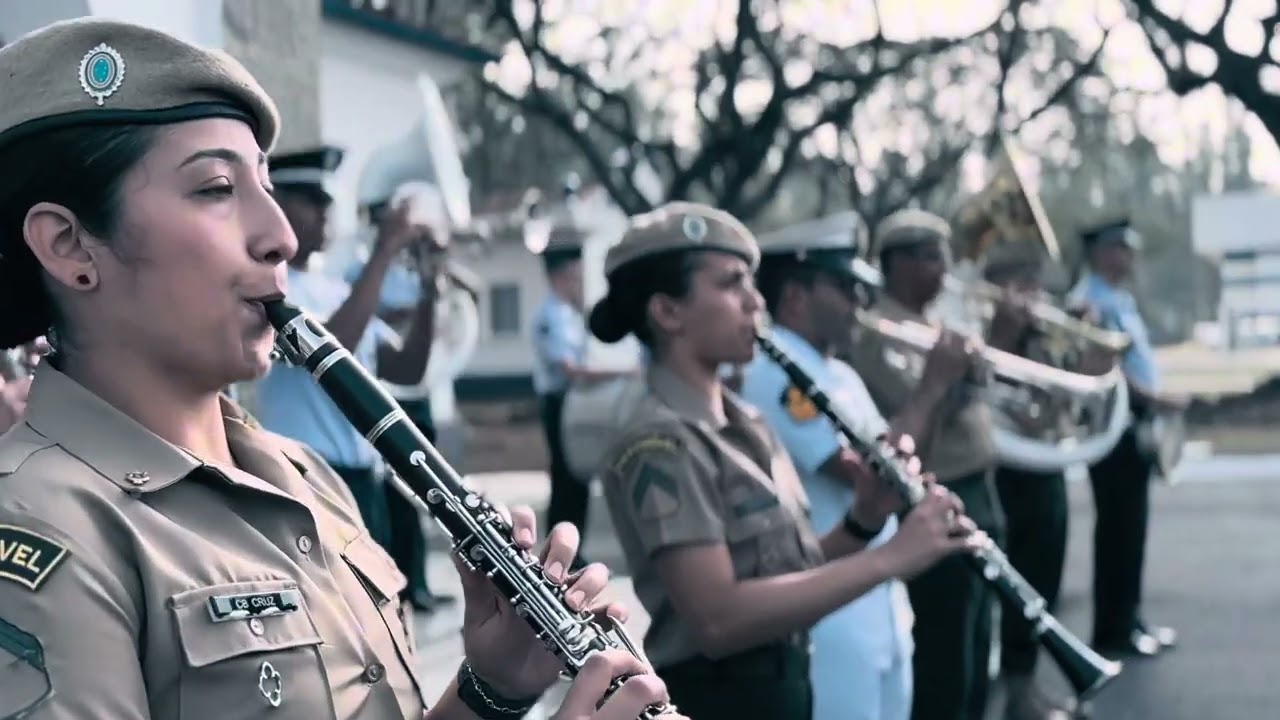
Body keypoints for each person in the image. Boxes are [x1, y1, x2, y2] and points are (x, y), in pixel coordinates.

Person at [0, 18, 677, 720]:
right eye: (215, 188)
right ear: (69, 245)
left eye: (264, 183)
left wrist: (492, 690)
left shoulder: (305, 477)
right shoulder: (39, 527)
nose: (281, 237)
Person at [591, 201, 982, 719]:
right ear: (667, 312)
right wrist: (890, 558)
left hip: (784, 683)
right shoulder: (658, 440)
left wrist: (865, 520)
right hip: (724, 698)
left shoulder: (746, 422)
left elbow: (789, 568)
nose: (757, 302)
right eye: (731, 285)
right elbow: (718, 619)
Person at [739, 213, 974, 720]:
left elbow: (907, 468)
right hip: (833, 598)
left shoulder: (838, 373)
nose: (859, 304)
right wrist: (932, 384)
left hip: (879, 594)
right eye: (844, 288)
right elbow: (863, 474)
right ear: (797, 296)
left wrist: (946, 391)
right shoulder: (776, 374)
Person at [844, 209, 1028, 720]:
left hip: (978, 489)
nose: (941, 269)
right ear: (895, 264)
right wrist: (944, 377)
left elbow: (988, 400)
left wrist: (1001, 343)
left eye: (943, 256)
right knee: (945, 657)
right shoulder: (878, 334)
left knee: (975, 646)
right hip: (934, 496)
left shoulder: (936, 325)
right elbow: (910, 433)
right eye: (927, 257)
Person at [250, 144, 439, 556]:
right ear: (274, 203)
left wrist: (429, 287)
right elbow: (337, 347)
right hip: (308, 476)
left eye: (327, 203)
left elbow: (406, 369)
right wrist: (385, 249)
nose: (324, 213)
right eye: (311, 200)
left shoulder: (340, 290)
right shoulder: (272, 290)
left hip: (363, 479)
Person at [341, 184, 459, 613]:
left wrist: (434, 284)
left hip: (413, 391)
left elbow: (411, 360)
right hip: (382, 397)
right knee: (394, 502)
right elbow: (365, 318)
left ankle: (417, 581)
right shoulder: (360, 271)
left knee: (420, 494)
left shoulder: (405, 270)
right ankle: (405, 584)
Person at [1069, 218, 1185, 659]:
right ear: (1100, 252)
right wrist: (1155, 399)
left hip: (1131, 427)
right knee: (1119, 529)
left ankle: (1129, 618)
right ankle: (1113, 629)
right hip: (1113, 426)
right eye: (1121, 248)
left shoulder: (1119, 299)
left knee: (1131, 529)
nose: (1129, 257)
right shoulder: (1088, 302)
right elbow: (1104, 370)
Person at [979, 242, 1076, 720]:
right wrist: (1000, 337)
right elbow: (977, 392)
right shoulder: (980, 330)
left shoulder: (1043, 336)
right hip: (1003, 472)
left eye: (1034, 284)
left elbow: (1065, 402)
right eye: (1019, 283)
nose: (1031, 294)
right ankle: (1009, 697)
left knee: (1043, 584)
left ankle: (1027, 689)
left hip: (1046, 467)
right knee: (1006, 591)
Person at [532, 233, 629, 541]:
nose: (580, 281)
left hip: (577, 402)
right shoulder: (552, 316)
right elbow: (570, 369)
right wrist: (623, 372)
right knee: (565, 479)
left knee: (579, 477)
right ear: (562, 275)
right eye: (576, 274)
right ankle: (560, 549)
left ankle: (575, 546)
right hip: (560, 402)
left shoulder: (572, 314)